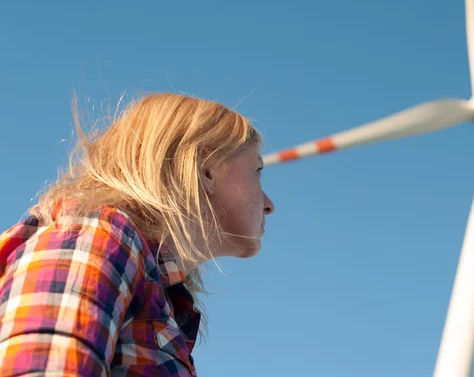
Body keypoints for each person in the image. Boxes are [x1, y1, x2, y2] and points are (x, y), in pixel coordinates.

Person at [0, 93, 275, 376]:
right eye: (257, 171)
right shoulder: (93, 237)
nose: (269, 205)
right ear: (207, 170)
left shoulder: (150, 284)